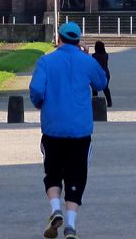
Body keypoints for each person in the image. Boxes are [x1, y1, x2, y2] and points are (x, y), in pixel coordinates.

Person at [29, 21, 108, 239]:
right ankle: (71, 226)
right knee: (76, 176)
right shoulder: (87, 61)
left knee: (52, 172)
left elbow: (36, 90)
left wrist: (39, 103)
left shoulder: (45, 61)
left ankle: (55, 209)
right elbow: (101, 83)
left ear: (59, 38)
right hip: (80, 131)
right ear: (78, 40)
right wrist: (87, 55)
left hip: (53, 128)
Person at [90, 41, 112, 108]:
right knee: (106, 88)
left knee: (94, 88)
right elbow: (105, 65)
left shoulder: (94, 55)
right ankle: (109, 102)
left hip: (97, 73)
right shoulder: (106, 55)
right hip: (105, 72)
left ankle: (95, 102)